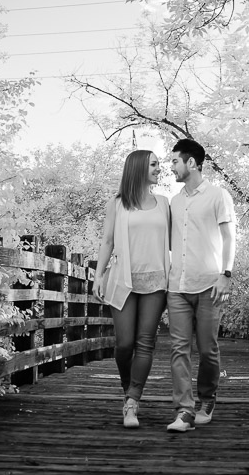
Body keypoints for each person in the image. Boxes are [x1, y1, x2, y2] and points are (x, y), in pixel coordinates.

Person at [93, 150, 170, 429]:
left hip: (156, 283)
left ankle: (132, 402)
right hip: (124, 280)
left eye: (160, 164)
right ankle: (129, 388)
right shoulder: (118, 204)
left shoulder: (164, 203)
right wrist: (98, 276)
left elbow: (179, 239)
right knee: (124, 344)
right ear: (138, 168)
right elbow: (107, 242)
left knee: (145, 342)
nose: (159, 168)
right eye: (154, 164)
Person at [165, 138, 236, 433]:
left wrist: (226, 274)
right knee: (179, 350)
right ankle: (184, 410)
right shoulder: (174, 201)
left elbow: (230, 238)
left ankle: (207, 398)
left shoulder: (219, 196)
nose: (171, 167)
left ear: (191, 163)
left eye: (175, 162)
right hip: (177, 287)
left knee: (207, 350)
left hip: (210, 286)